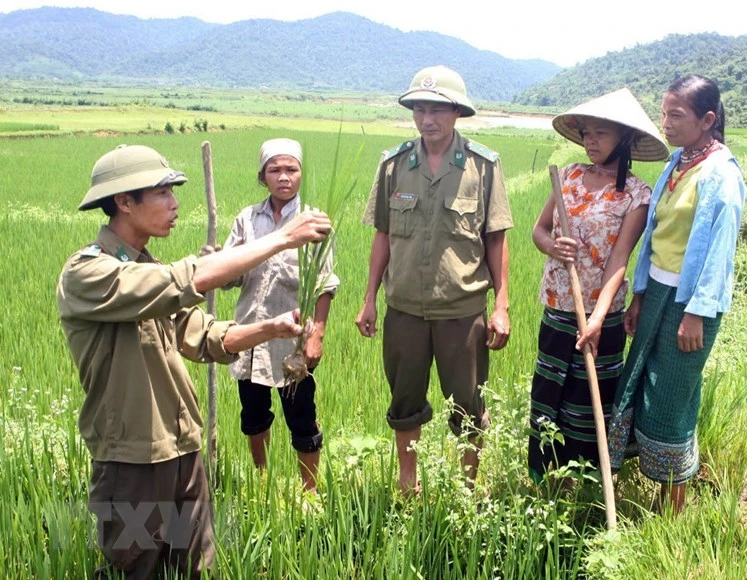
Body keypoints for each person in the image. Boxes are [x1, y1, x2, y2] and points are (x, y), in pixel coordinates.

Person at [57, 144, 332, 578]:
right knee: (137, 567)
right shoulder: (90, 273)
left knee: (192, 567)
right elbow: (187, 279)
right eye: (162, 193)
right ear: (124, 202)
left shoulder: (146, 268)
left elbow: (203, 336)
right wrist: (283, 237)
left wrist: (270, 328)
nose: (174, 204)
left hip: (183, 452)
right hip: (133, 462)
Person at [355, 65, 512, 494]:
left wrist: (501, 306)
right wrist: (368, 298)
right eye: (420, 109)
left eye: (438, 109)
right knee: (405, 400)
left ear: (457, 112)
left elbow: (496, 239)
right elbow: (382, 236)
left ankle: (465, 488)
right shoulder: (393, 165)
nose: (428, 119)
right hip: (403, 307)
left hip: (462, 310)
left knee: (467, 402)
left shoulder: (483, 166)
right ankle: (409, 484)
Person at [607, 74, 746, 514]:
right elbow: (655, 237)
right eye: (663, 112)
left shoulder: (721, 175)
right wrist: (641, 295)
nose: (665, 122)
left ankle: (674, 510)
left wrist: (697, 314)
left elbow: (720, 254)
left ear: (707, 120)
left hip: (690, 306)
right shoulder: (676, 163)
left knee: (672, 398)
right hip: (659, 295)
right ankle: (658, 496)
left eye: (676, 115)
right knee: (640, 383)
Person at [528, 88, 669, 485]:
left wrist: (597, 319)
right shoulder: (568, 176)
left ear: (624, 139)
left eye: (601, 134)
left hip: (600, 316)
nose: (591, 141)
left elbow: (619, 262)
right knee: (548, 395)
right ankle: (546, 483)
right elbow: (538, 231)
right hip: (558, 306)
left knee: (587, 405)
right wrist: (553, 245)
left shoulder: (637, 195)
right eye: (587, 133)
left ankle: (585, 486)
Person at [219, 138, 338, 493]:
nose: (283, 177)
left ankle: (310, 491)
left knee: (301, 415)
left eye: (291, 169)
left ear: (301, 174)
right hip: (250, 335)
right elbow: (231, 272)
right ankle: (261, 481)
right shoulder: (247, 220)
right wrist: (214, 262)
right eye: (275, 170)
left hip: (292, 341)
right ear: (262, 176)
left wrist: (316, 334)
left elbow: (325, 284)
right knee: (253, 414)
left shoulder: (313, 222)